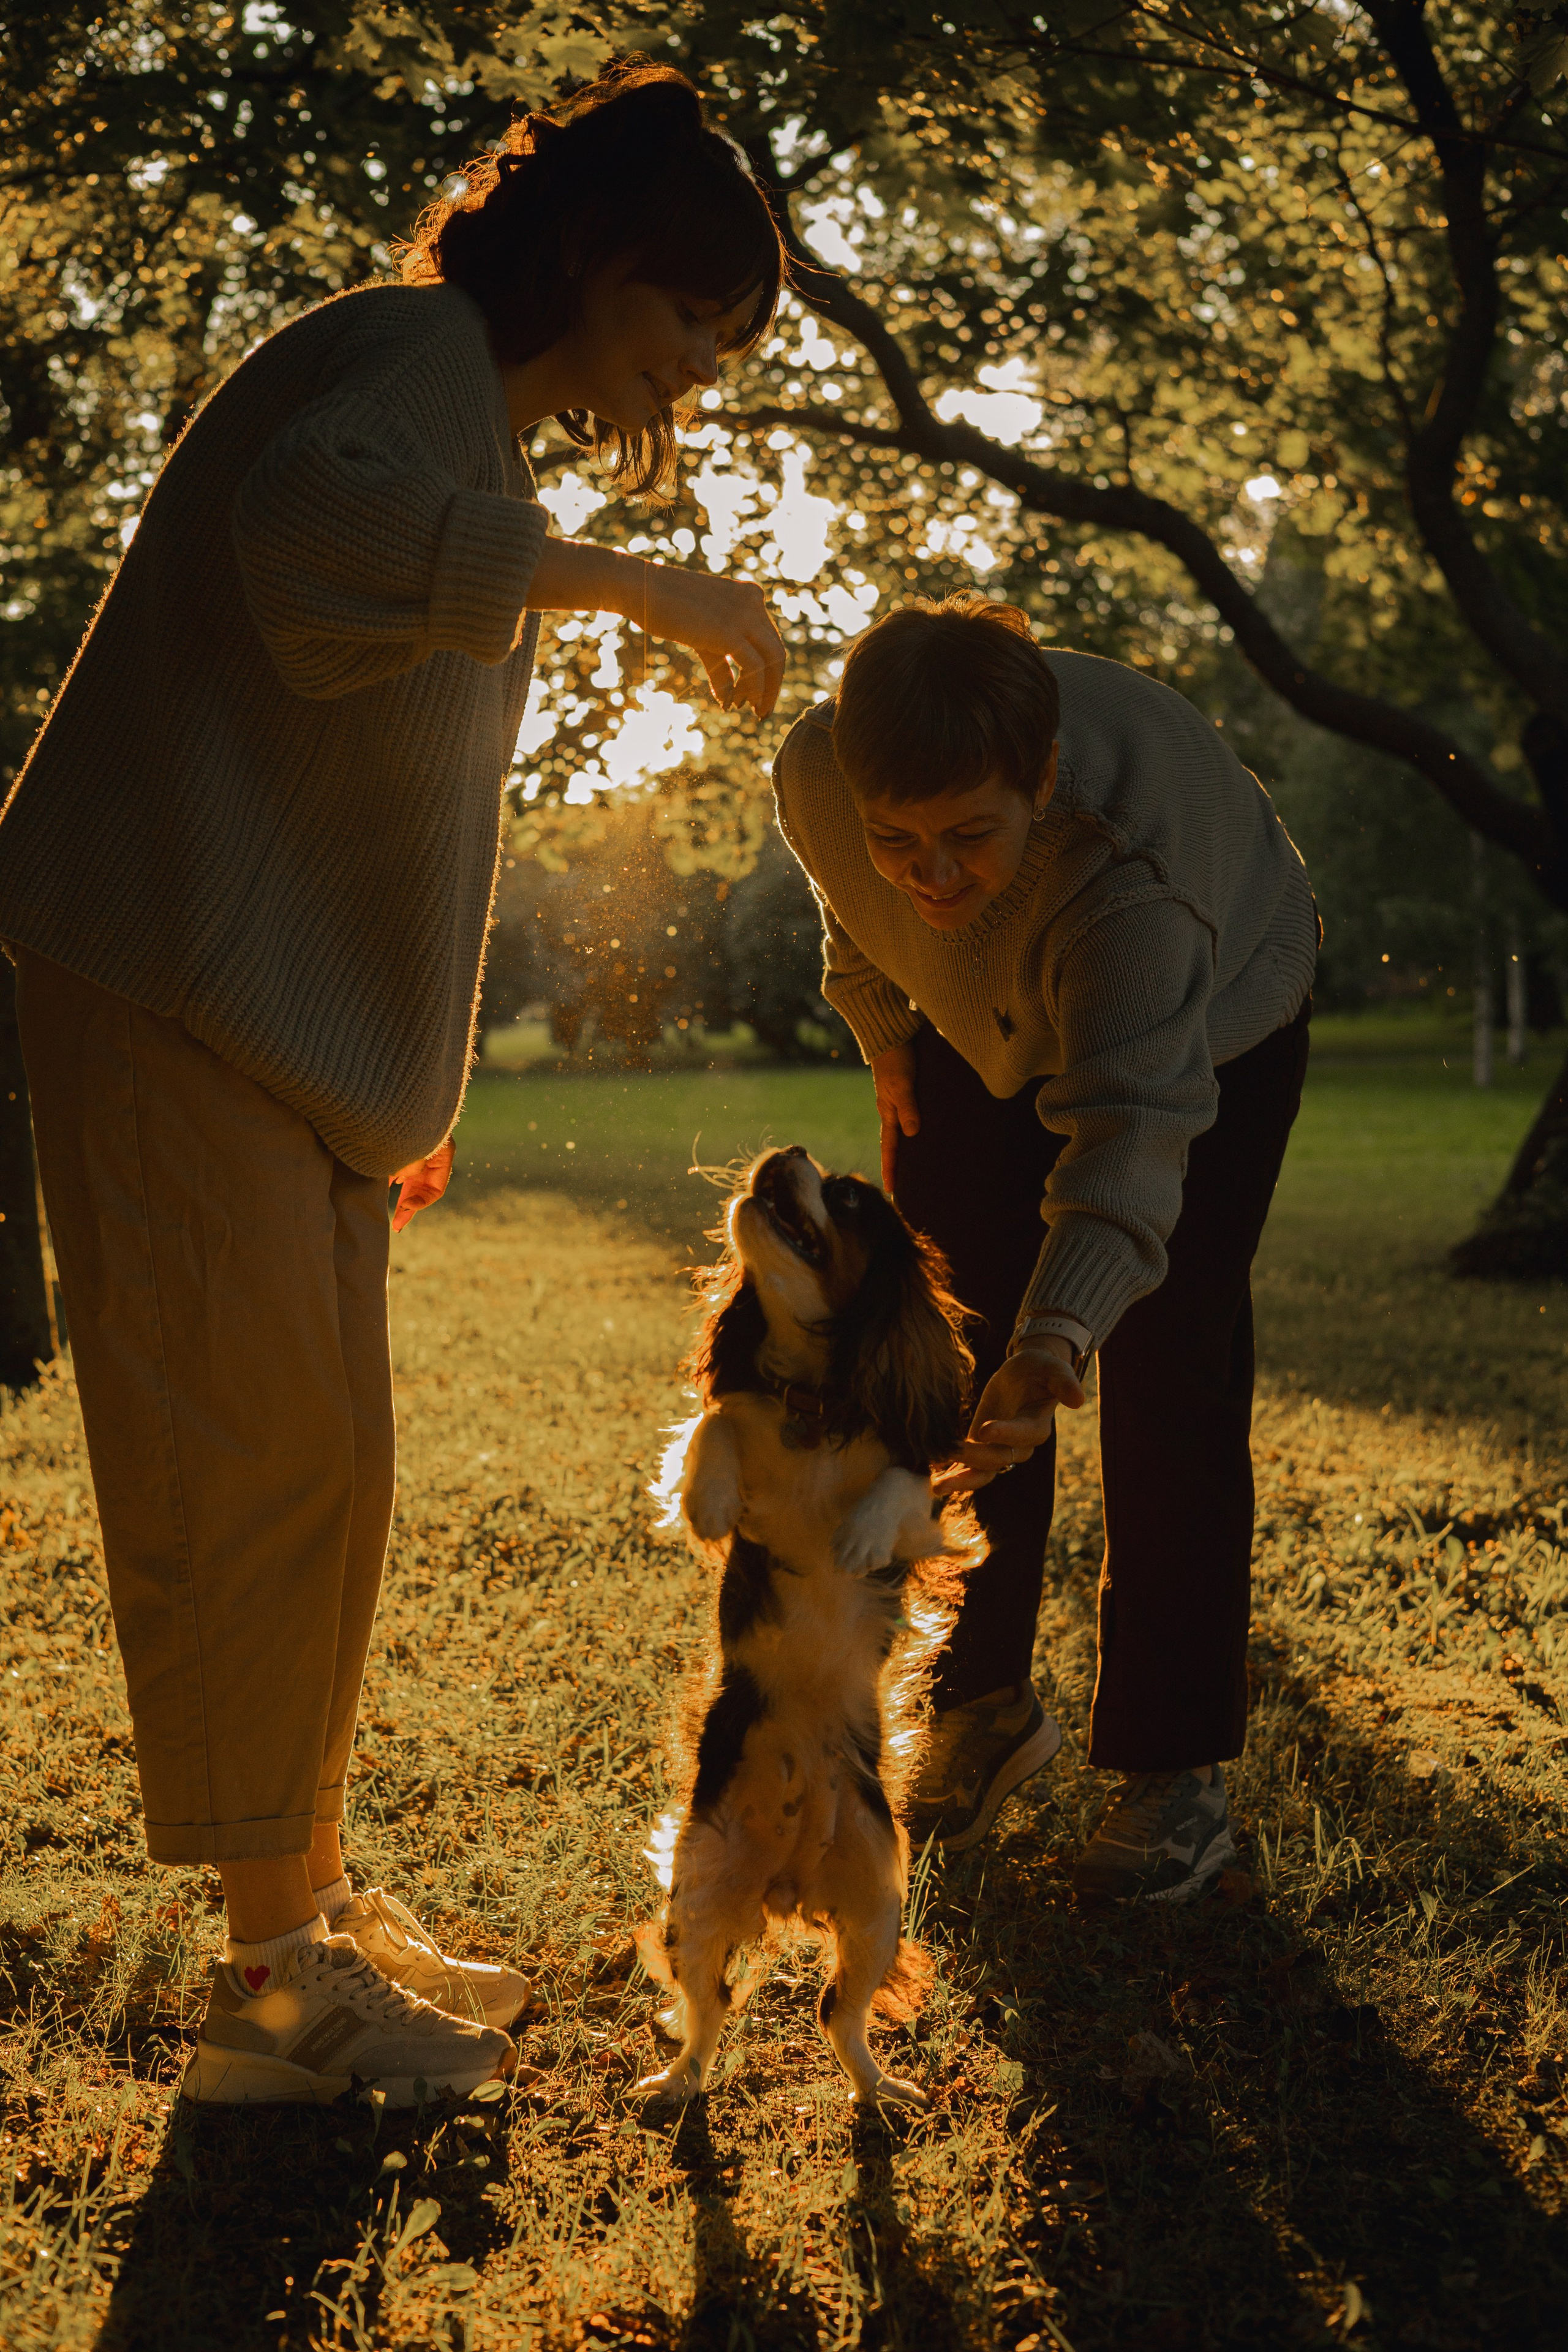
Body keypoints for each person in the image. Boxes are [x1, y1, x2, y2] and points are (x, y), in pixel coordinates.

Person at [0, 61, 788, 2104]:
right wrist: (640, 584)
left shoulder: (469, 424)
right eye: (690, 312)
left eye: (725, 338)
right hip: (167, 983)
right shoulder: (409, 355)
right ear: (594, 253)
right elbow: (308, 531)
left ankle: (315, 1904)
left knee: (329, 1474)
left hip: (275, 1043)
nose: (700, 366)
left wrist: (381, 1086)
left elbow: (357, 760)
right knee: (249, 1466)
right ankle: (272, 1995)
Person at [772, 595, 1316, 1905]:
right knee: (940, 1348)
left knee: (1167, 1367)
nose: (929, 872)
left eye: (969, 834)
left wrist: (1058, 1336)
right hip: (978, 1013)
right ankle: (982, 1702)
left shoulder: (1130, 883)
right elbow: (851, 894)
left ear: (1043, 777)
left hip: (1211, 1021)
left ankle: (1173, 1772)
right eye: (899, 837)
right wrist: (881, 1024)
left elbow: (1128, 1145)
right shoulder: (818, 770)